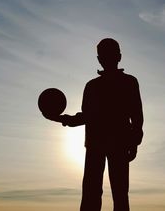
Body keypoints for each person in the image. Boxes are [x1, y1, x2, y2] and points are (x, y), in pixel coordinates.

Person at [44, 38, 143, 211]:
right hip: (97, 146)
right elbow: (86, 117)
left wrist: (134, 142)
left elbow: (137, 116)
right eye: (104, 55)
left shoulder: (128, 82)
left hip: (116, 144)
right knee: (93, 194)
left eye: (110, 54)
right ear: (99, 58)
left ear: (118, 56)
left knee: (118, 194)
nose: (106, 58)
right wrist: (59, 118)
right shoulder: (92, 86)